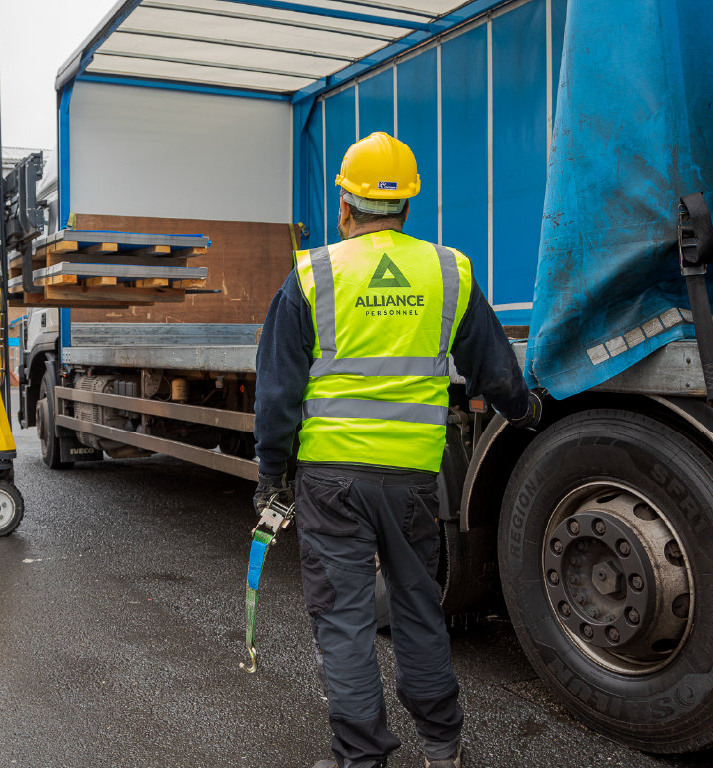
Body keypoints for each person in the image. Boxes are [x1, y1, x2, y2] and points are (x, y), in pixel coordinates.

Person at [253, 132, 542, 768]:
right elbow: (494, 369)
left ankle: (362, 758)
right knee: (417, 610)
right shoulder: (448, 270)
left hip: (330, 484)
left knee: (345, 623)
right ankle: (443, 748)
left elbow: (276, 393)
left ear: (344, 207)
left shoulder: (312, 273)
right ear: (408, 207)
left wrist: (272, 475)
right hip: (413, 480)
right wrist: (523, 412)